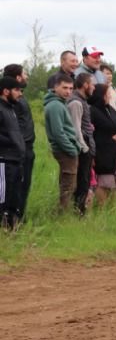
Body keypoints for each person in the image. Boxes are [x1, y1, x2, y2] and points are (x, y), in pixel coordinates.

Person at [2, 65, 36, 225]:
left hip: (19, 154)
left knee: (18, 191)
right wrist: (16, 143)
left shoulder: (13, 104)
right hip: (7, 157)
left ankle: (15, 222)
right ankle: (8, 223)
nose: (20, 94)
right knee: (7, 195)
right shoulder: (5, 106)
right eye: (17, 90)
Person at [43, 73, 81, 211]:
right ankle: (61, 214)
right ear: (55, 87)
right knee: (68, 185)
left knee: (69, 183)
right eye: (65, 88)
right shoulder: (55, 106)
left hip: (67, 148)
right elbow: (58, 133)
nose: (68, 91)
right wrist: (71, 149)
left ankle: (63, 211)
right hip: (64, 150)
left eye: (71, 88)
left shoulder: (59, 103)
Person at [89, 78, 116, 207]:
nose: (109, 95)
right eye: (106, 93)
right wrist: (109, 138)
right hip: (101, 151)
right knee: (103, 181)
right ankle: (102, 208)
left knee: (114, 181)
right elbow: (92, 132)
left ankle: (112, 209)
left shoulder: (110, 109)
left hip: (114, 151)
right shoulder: (93, 111)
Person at [0, 76, 26, 229]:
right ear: (5, 91)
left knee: (13, 198)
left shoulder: (10, 108)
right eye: (17, 90)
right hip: (3, 161)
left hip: (15, 160)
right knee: (2, 199)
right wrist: (11, 142)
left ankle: (11, 230)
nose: (20, 93)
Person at [68, 72, 96, 213]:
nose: (94, 88)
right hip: (82, 148)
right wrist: (85, 149)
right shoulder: (76, 102)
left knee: (85, 182)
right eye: (92, 85)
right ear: (85, 85)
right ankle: (78, 212)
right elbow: (76, 129)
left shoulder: (83, 101)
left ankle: (80, 211)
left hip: (86, 146)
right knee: (81, 182)